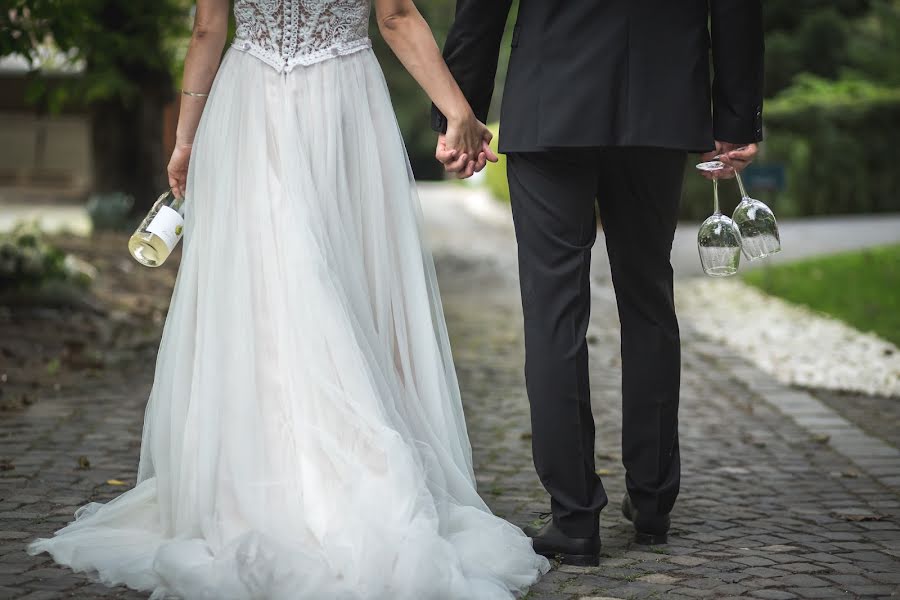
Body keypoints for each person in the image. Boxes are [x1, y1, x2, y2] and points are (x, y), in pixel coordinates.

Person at [25, 0, 550, 597]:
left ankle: (261, 479)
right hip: (342, 102)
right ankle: (348, 473)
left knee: (267, 286)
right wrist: (459, 111)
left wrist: (184, 141)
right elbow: (398, 15)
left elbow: (207, 28)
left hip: (251, 104)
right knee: (342, 285)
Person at [433, 0, 764, 566]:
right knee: (648, 299)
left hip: (550, 102)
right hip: (659, 106)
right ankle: (654, 497)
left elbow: (480, 11)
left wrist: (457, 117)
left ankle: (575, 517)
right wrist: (734, 120)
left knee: (553, 312)